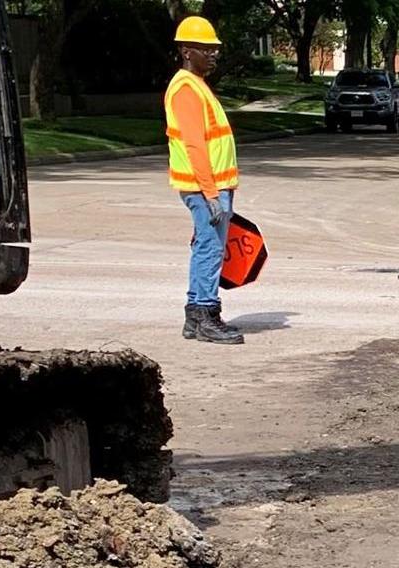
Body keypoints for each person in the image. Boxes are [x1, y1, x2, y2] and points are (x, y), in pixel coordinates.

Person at [165, 16, 244, 345]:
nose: (212, 54)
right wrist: (212, 194)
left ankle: (198, 317)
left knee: (207, 248)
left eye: (215, 49)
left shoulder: (196, 85)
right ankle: (204, 315)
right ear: (186, 51)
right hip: (204, 189)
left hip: (212, 186)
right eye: (206, 49)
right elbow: (195, 144)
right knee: (210, 251)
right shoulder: (185, 89)